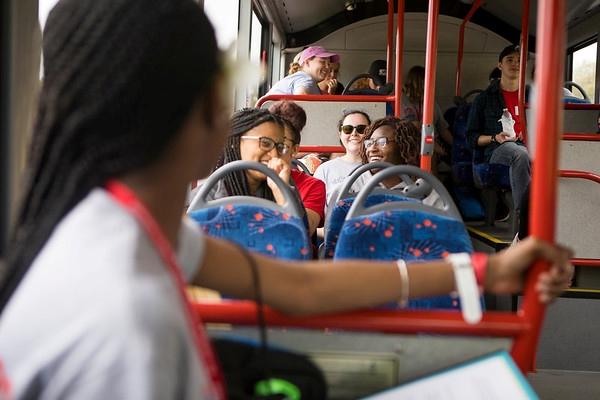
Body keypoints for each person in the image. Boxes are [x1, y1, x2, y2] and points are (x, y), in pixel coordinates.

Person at [0, 1, 573, 399]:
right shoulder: (128, 324)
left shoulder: (121, 228)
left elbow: (296, 286)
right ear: (200, 113)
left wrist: (486, 268)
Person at [466, 45, 531, 213]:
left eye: (519, 61)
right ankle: (523, 217)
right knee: (520, 154)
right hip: (498, 148)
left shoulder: (532, 95)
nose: (515, 64)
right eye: (510, 60)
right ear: (500, 65)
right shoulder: (484, 99)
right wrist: (495, 137)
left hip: (529, 146)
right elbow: (471, 138)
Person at [327, 117, 440, 209]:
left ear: (403, 146)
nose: (372, 149)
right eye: (369, 143)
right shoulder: (349, 188)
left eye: (382, 142)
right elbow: (333, 231)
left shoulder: (423, 189)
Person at [268, 100, 326, 236]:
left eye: (281, 145)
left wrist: (281, 188)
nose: (272, 151)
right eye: (266, 143)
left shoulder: (313, 185)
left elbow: (305, 230)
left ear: (294, 150)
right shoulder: (244, 177)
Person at [401, 65, 454, 180]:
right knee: (427, 149)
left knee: (429, 149)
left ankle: (434, 189)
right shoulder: (403, 100)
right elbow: (413, 125)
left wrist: (456, 145)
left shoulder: (431, 102)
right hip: (412, 142)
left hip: (433, 140)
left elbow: (442, 128)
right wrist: (432, 144)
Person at [313, 109, 371, 197]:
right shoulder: (325, 170)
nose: (354, 133)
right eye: (348, 129)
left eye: (361, 129)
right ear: (340, 134)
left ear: (370, 133)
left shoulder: (378, 168)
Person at [266, 46, 339, 95]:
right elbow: (301, 101)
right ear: (307, 62)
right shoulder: (305, 78)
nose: (327, 67)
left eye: (328, 64)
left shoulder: (308, 81)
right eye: (322, 62)